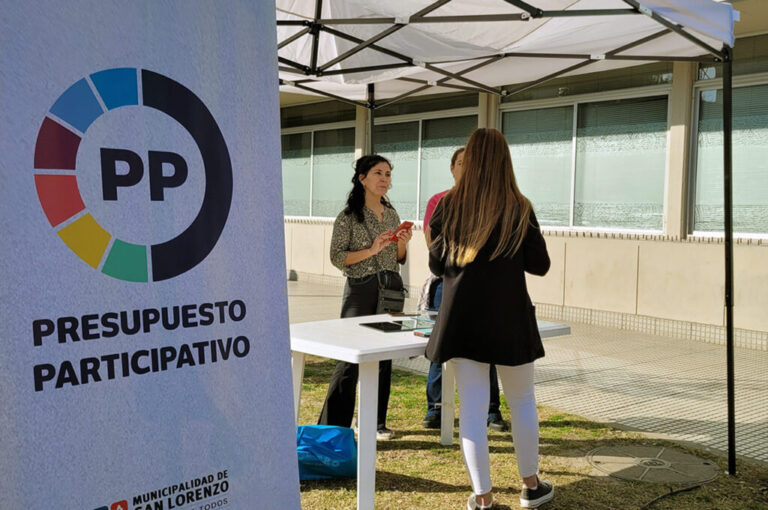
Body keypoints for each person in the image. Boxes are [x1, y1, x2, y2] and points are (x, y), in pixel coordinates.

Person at [426, 128, 553, 509]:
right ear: (505, 160)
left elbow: (436, 264)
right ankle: (531, 486)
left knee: (474, 411)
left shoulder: (448, 206)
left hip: (462, 320)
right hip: (509, 319)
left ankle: (483, 500)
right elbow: (540, 265)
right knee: (523, 401)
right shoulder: (520, 206)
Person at [319, 154, 412, 441]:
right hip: (360, 289)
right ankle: (333, 428)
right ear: (362, 179)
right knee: (349, 359)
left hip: (390, 288)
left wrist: (402, 245)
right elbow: (337, 258)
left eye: (388, 174)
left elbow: (398, 259)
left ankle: (374, 423)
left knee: (384, 357)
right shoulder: (348, 217)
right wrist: (371, 250)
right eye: (378, 173)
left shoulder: (392, 214)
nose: (385, 179)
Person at [421, 147, 509, 433]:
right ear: (452, 168)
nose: (466, 168)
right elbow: (433, 245)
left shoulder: (491, 203)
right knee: (441, 344)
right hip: (448, 284)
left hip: (484, 292)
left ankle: (491, 412)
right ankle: (435, 409)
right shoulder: (440, 201)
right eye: (461, 163)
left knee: (488, 349)